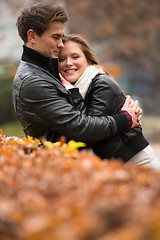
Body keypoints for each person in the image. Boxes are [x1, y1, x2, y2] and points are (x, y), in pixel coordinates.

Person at [13, 2, 141, 149]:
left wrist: (119, 107)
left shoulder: (47, 70)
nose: (61, 44)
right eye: (56, 37)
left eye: (61, 37)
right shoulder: (33, 81)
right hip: (63, 164)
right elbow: (81, 127)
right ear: (32, 36)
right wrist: (125, 119)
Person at [58, 34, 160, 168]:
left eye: (75, 57)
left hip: (136, 161)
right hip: (115, 163)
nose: (68, 63)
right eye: (61, 59)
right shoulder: (73, 88)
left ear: (88, 60)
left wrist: (72, 93)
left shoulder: (101, 84)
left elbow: (88, 131)